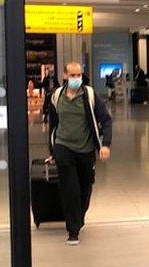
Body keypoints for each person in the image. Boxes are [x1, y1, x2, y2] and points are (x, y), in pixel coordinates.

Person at [44, 61, 113, 245]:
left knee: (85, 188)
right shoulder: (57, 96)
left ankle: (78, 217)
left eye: (78, 75)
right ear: (65, 76)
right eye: (72, 75)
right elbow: (53, 125)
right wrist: (52, 150)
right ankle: (72, 230)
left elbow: (106, 120)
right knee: (70, 189)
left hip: (85, 150)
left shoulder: (89, 95)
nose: (76, 79)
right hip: (63, 147)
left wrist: (105, 145)